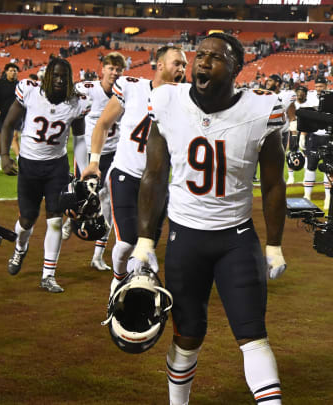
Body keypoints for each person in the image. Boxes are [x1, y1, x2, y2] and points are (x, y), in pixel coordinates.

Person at [130, 33, 287, 405]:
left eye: (215, 57)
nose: (202, 62)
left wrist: (275, 244)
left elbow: (273, 184)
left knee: (253, 334)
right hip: (185, 237)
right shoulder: (166, 99)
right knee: (187, 334)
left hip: (236, 237)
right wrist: (144, 240)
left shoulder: (262, 110)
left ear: (236, 68)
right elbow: (154, 174)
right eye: (199, 54)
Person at [80, 45, 186, 283]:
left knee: (145, 248)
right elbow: (103, 124)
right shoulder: (133, 87)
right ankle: (118, 280)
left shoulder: (185, 98)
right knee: (127, 241)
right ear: (159, 65)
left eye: (184, 65)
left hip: (158, 183)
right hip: (126, 175)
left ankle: (132, 286)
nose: (181, 69)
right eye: (177, 63)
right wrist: (94, 162)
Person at [0, 58, 91, 293]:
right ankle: (20, 248)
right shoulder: (30, 92)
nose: (60, 80)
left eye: (65, 76)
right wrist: (4, 156)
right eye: (56, 75)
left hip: (56, 168)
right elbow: (9, 124)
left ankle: (48, 275)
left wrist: (83, 173)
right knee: (26, 220)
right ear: (48, 76)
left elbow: (80, 139)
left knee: (55, 220)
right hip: (29, 166)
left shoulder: (77, 102)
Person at [61, 52, 126, 272]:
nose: (115, 73)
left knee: (107, 201)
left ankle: (98, 254)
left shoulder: (126, 92)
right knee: (84, 196)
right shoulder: (87, 89)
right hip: (89, 154)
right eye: (111, 68)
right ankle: (71, 217)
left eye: (119, 70)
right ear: (103, 69)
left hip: (114, 154)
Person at [302, 76, 331, 210]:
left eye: (321, 86)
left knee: (328, 167)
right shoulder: (310, 98)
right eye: (317, 86)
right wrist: (303, 134)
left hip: (328, 136)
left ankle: (328, 198)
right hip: (313, 136)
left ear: (326, 86)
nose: (319, 89)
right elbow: (305, 117)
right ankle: (307, 195)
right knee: (310, 166)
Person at [263, 73, 296, 184]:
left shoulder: (286, 96)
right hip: (263, 132)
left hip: (280, 133)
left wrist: (294, 135)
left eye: (270, 80)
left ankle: (277, 182)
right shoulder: (262, 95)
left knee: (278, 160)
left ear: (277, 83)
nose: (267, 82)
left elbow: (292, 117)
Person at [0, 63, 20, 171]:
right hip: (1, 115)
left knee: (15, 137)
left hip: (15, 115)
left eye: (15, 71)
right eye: (11, 70)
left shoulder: (20, 85)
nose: (13, 72)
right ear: (6, 72)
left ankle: (20, 161)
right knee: (2, 137)